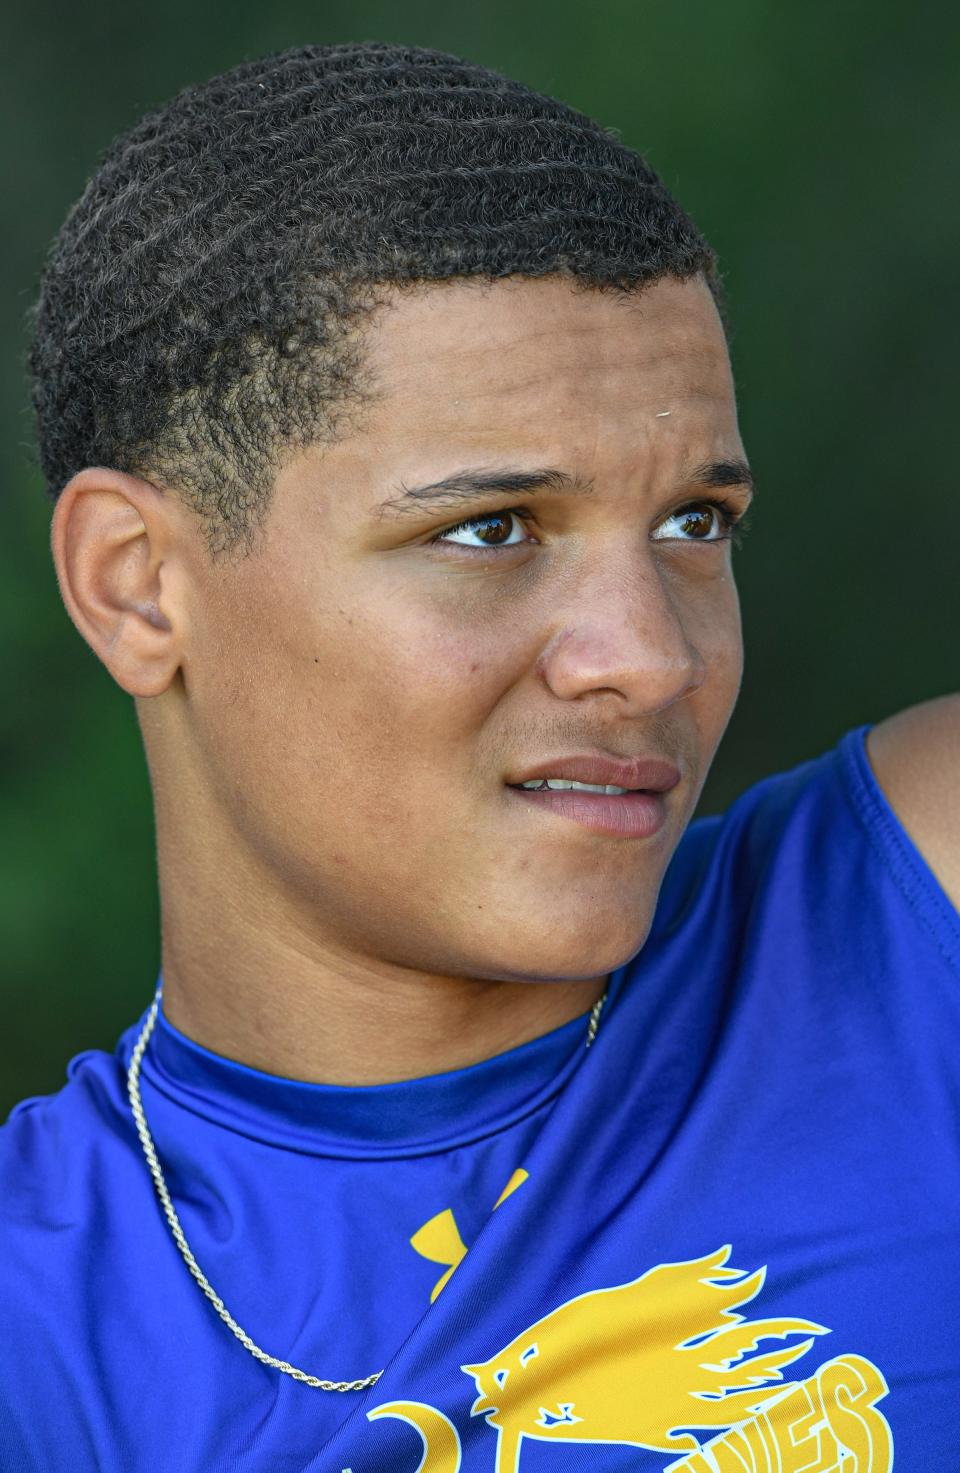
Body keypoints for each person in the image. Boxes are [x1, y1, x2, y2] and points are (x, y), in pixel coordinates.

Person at [2, 40, 957, 1473]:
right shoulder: (42, 1333)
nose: (650, 655)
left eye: (696, 522)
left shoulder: (910, 922)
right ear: (141, 585)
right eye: (490, 528)